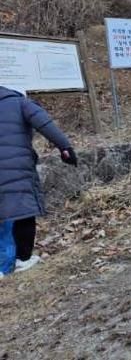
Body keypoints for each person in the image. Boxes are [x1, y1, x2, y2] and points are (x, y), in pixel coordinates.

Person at [0, 86, 77, 274]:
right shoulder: (20, 102)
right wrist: (65, 148)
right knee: (23, 211)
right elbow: (45, 124)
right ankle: (22, 259)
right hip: (16, 168)